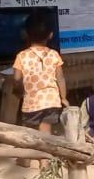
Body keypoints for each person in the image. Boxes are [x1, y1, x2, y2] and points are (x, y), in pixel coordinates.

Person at [11, 10, 67, 166]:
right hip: (51, 101)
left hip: (31, 102)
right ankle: (45, 164)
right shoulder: (54, 55)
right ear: (50, 35)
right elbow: (60, 78)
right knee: (45, 133)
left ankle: (25, 160)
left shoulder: (22, 56)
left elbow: (16, 79)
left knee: (28, 132)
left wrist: (19, 90)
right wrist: (63, 98)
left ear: (26, 34)